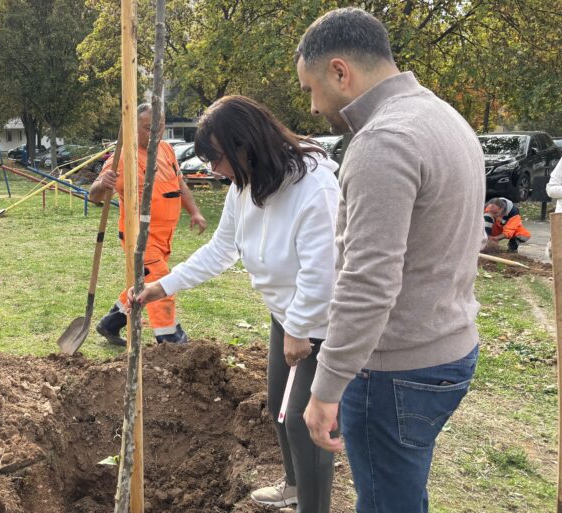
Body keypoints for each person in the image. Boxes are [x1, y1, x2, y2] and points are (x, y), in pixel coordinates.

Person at [295, 8, 484, 513]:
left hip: (397, 369)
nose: (313, 107)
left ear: (340, 71)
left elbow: (369, 281)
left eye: (312, 89)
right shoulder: (443, 117)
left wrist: (327, 386)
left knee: (386, 502)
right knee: (401, 490)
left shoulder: (384, 140)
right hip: (449, 347)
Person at [134, 96, 339, 512]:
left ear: (246, 145)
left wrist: (300, 328)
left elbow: (324, 270)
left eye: (217, 158)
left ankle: (313, 507)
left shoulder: (314, 188)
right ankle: (295, 486)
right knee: (278, 405)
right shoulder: (244, 187)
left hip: (321, 322)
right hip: (286, 315)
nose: (212, 170)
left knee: (305, 420)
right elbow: (221, 250)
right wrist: (164, 285)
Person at [89, 103, 207, 345]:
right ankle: (170, 338)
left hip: (164, 236)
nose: (155, 134)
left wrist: (194, 211)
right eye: (147, 128)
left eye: (159, 128)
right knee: (161, 280)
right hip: (139, 237)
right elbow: (94, 196)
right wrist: (103, 185)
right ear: (133, 128)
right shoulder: (123, 158)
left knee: (143, 284)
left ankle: (111, 322)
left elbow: (180, 185)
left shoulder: (166, 150)